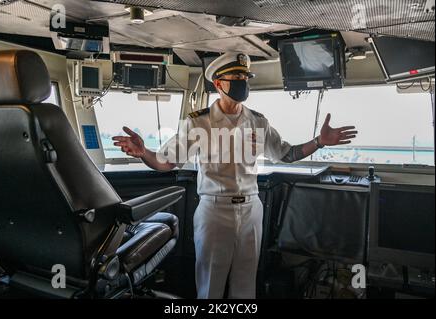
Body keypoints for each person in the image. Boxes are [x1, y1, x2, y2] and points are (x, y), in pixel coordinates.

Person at [112, 52, 357, 299]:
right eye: (236, 76)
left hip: (252, 209)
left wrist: (319, 142)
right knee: (210, 288)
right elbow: (167, 162)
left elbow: (287, 154)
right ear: (218, 84)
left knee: (246, 287)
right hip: (215, 211)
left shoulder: (258, 121)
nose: (242, 81)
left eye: (245, 76)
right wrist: (143, 152)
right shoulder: (199, 122)